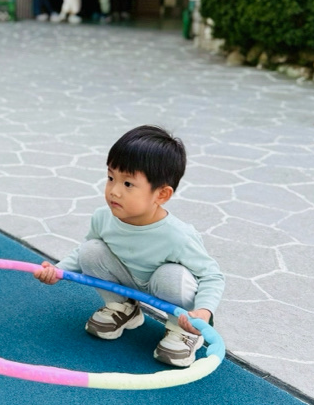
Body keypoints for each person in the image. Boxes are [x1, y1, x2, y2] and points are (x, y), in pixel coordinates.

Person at [33, 125, 224, 368]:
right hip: (127, 279)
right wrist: (58, 270)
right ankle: (123, 307)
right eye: (111, 178)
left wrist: (203, 312)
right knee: (91, 250)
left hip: (165, 287)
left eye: (128, 184)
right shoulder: (103, 217)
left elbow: (212, 276)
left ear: (161, 195)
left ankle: (183, 329)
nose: (114, 191)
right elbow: (83, 251)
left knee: (172, 275)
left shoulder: (178, 236)